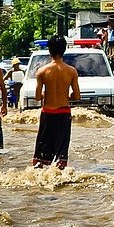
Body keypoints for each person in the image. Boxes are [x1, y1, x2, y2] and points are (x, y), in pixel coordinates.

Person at [31, 35, 79, 169]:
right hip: (64, 113)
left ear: (49, 50)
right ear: (64, 50)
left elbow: (37, 98)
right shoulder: (71, 71)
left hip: (48, 113)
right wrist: (66, 96)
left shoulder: (42, 71)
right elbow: (76, 96)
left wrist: (45, 94)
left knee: (41, 153)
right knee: (61, 153)